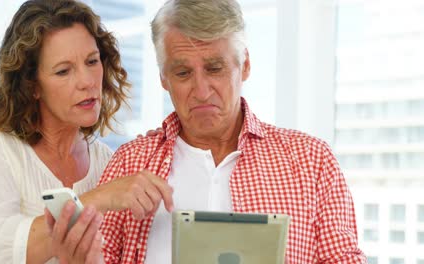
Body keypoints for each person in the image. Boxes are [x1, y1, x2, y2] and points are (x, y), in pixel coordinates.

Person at [97, 0, 367, 263]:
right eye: (182, 73)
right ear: (163, 79)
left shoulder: (312, 161)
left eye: (215, 68)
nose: (201, 91)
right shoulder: (129, 164)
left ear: (245, 65)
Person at [0, 0, 173, 263]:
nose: (87, 81)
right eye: (63, 71)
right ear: (32, 85)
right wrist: (98, 199)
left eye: (92, 61)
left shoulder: (105, 161)